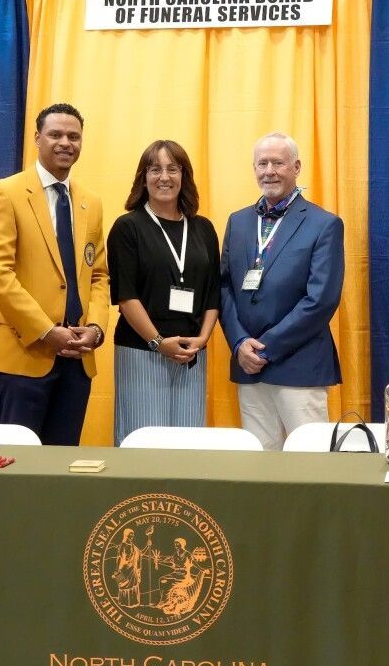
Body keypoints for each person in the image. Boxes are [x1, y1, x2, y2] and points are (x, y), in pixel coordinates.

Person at [0, 103, 109, 445]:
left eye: (73, 136)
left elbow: (98, 275)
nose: (65, 143)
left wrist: (96, 329)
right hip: (23, 357)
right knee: (16, 463)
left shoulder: (91, 202)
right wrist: (45, 331)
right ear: (37, 139)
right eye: (56, 135)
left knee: (62, 464)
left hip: (78, 361)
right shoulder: (6, 192)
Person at [220, 132, 344, 451]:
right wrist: (239, 343)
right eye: (262, 163)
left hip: (299, 365)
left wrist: (265, 349)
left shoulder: (324, 224)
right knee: (259, 462)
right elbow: (224, 287)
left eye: (278, 163)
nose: (269, 171)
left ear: (296, 167)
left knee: (310, 461)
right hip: (248, 365)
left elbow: (321, 300)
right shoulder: (237, 222)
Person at [107, 140, 220, 446]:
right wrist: (158, 342)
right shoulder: (127, 227)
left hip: (191, 353)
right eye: (155, 169)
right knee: (145, 446)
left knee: (188, 448)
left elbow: (213, 293)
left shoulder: (203, 229)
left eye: (173, 169)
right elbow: (126, 296)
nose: (164, 177)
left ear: (184, 176)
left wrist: (202, 339)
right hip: (142, 351)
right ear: (143, 178)